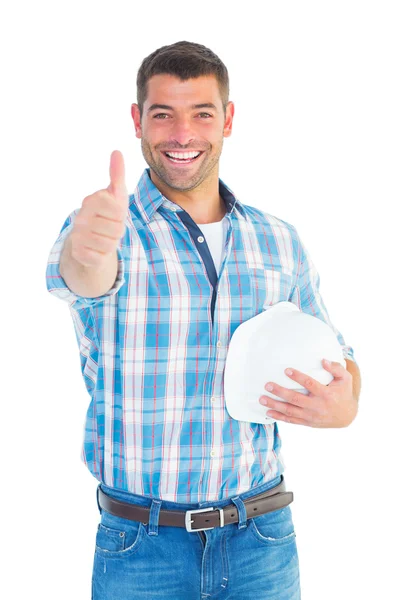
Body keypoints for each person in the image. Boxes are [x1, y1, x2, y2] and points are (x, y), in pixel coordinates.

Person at [46, 40, 361, 600]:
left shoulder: (278, 240)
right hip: (142, 549)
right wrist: (88, 250)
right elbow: (84, 276)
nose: (182, 134)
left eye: (202, 113)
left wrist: (346, 402)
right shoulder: (106, 228)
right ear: (138, 120)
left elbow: (339, 357)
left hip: (261, 538)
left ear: (228, 120)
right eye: (163, 114)